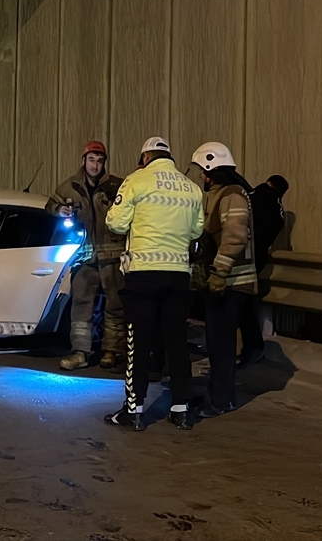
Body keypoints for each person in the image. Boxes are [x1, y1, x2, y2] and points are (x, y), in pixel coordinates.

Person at [101, 137, 204, 431]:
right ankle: (182, 409)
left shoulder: (137, 180)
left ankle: (134, 411)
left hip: (143, 273)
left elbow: (117, 224)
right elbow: (196, 230)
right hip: (178, 275)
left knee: (138, 342)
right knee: (176, 342)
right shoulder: (191, 188)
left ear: (145, 156)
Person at [187, 142, 256, 418]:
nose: (200, 179)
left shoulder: (232, 195)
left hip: (230, 283)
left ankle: (221, 399)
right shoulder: (220, 194)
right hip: (223, 282)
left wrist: (219, 273)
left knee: (222, 344)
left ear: (210, 171)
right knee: (217, 342)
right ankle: (217, 394)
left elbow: (235, 236)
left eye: (202, 172)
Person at [46, 140, 127, 371]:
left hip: (112, 256)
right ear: (84, 161)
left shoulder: (116, 187)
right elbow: (50, 206)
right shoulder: (68, 187)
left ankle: (112, 352)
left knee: (115, 305)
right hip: (85, 257)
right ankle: (80, 352)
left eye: (100, 161)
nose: (95, 165)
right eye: (91, 160)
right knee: (81, 306)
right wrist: (59, 210)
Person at [238, 174, 288, 366]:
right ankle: (252, 346)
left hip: (242, 256)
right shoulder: (279, 211)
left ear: (269, 183)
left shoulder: (255, 196)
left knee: (237, 304)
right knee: (244, 301)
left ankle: (251, 346)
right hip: (258, 260)